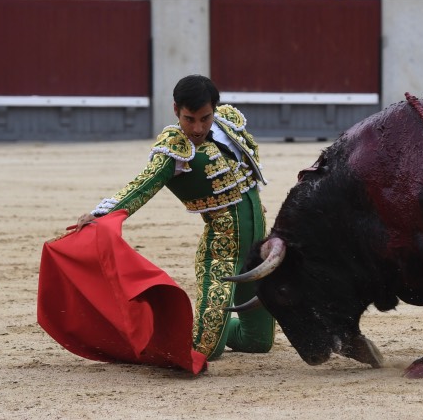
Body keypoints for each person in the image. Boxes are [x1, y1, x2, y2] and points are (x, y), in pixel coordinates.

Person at [74, 75, 275, 361]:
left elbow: (246, 169)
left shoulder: (228, 125)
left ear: (215, 110)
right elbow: (144, 184)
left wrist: (253, 201)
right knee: (207, 350)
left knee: (258, 342)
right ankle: (175, 329)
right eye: (189, 119)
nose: (197, 128)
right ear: (175, 111)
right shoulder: (175, 148)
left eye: (205, 118)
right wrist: (102, 213)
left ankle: (210, 325)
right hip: (221, 252)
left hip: (258, 252)